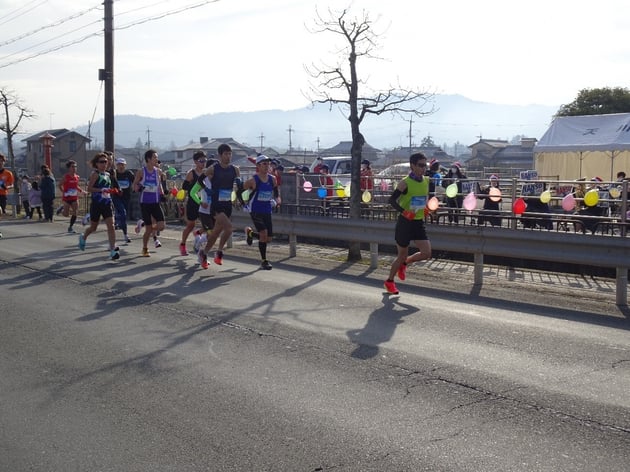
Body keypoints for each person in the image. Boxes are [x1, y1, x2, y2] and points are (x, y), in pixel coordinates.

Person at [383, 152, 432, 295]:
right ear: (412, 166)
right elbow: (391, 201)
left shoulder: (426, 181)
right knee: (401, 255)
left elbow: (424, 199)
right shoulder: (405, 182)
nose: (424, 168)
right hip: (405, 222)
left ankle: (405, 264)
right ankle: (389, 281)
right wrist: (404, 212)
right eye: (421, 165)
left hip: (418, 222)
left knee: (426, 253)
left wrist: (427, 208)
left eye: (425, 165)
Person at [197, 143, 240, 269]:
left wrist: (239, 196)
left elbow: (238, 185)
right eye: (226, 154)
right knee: (229, 228)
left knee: (216, 233)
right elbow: (200, 180)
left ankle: (203, 253)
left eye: (230, 154)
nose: (228, 156)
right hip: (216, 205)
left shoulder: (235, 169)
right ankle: (219, 252)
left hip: (227, 204)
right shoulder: (213, 169)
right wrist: (206, 189)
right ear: (220, 155)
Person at [78, 152, 120, 260]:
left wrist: (112, 191)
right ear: (96, 163)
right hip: (97, 204)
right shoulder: (95, 174)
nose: (104, 164)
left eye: (105, 162)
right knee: (93, 227)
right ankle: (83, 237)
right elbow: (89, 189)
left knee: (111, 226)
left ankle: (112, 250)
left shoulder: (108, 174)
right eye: (101, 162)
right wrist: (101, 190)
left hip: (107, 203)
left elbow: (107, 189)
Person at [242, 154, 280, 270]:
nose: (267, 166)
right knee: (263, 234)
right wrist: (244, 203)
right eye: (264, 163)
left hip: (267, 210)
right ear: (258, 166)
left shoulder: (272, 179)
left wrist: (277, 200)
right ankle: (264, 261)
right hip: (255, 210)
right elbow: (240, 191)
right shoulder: (253, 180)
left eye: (268, 163)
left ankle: (250, 233)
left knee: (268, 238)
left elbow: (276, 192)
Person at [133, 149, 166, 257]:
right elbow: (135, 185)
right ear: (148, 159)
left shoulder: (158, 172)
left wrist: (162, 194)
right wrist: (140, 187)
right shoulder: (141, 171)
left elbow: (159, 184)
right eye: (155, 157)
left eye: (157, 157)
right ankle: (145, 248)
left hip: (155, 202)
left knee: (161, 226)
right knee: (148, 229)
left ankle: (143, 224)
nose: (157, 159)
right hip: (145, 203)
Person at [179, 150, 207, 255]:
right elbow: (184, 187)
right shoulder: (191, 173)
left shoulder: (206, 173)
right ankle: (182, 244)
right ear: (195, 162)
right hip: (193, 202)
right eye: (201, 161)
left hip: (204, 202)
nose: (203, 163)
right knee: (190, 225)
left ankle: (198, 233)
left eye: (205, 160)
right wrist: (194, 186)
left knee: (208, 225)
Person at [112, 156, 135, 243]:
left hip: (126, 197)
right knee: (122, 212)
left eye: (122, 165)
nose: (121, 166)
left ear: (125, 165)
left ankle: (122, 229)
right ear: (116, 165)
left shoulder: (129, 173)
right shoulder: (114, 174)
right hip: (117, 197)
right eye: (119, 164)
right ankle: (125, 234)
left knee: (124, 215)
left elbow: (135, 181)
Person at [58, 160, 85, 233]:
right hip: (67, 197)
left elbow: (76, 186)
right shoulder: (66, 177)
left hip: (74, 197)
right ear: (69, 168)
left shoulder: (77, 177)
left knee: (75, 212)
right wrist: (63, 192)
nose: (74, 168)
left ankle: (70, 227)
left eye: (75, 166)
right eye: (72, 166)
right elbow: (59, 185)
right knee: (66, 215)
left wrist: (82, 191)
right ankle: (62, 209)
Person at [0, 153, 15, 230]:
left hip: (3, 194)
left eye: (1, 161)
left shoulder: (8, 173)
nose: (0, 162)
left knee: (2, 212)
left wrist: (6, 187)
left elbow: (11, 185)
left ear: (4, 162)